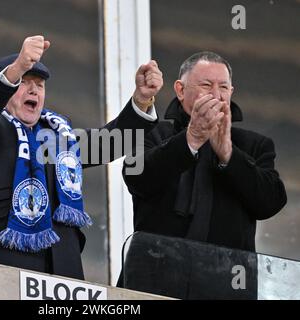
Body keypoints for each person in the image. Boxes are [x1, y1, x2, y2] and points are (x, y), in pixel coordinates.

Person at [0, 35, 163, 280]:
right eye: (24, 81)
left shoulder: (58, 135)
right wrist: (17, 67)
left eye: (39, 84)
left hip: (61, 269)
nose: (34, 89)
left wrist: (142, 100)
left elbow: (108, 143)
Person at [123, 51, 287, 253]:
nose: (216, 95)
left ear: (231, 92)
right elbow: (135, 176)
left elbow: (271, 202)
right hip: (153, 275)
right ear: (180, 90)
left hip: (228, 279)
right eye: (206, 85)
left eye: (224, 87)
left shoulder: (254, 145)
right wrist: (190, 140)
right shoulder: (151, 132)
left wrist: (229, 155)